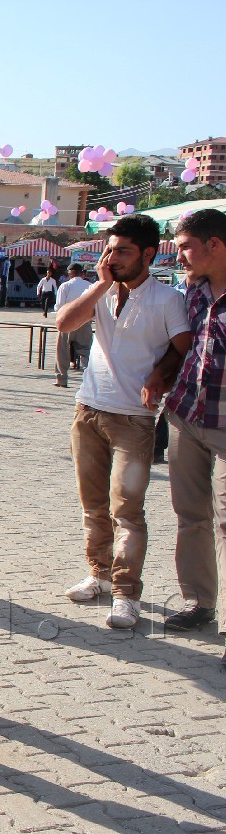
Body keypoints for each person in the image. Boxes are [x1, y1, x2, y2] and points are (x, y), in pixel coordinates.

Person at [55, 214, 192, 629]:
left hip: (134, 418)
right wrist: (101, 285)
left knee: (127, 510)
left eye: (123, 251)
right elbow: (64, 323)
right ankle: (97, 575)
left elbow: (183, 347)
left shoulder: (167, 299)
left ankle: (126, 594)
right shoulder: (102, 289)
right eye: (109, 249)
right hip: (88, 410)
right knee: (92, 506)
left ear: (149, 254)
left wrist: (160, 374)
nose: (112, 257)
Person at [149, 209, 226, 650]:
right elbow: (185, 347)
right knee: (191, 515)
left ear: (214, 244)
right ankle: (200, 603)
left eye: (184, 247)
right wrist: (161, 374)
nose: (177, 256)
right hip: (186, 417)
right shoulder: (193, 291)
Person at [54, 263, 93, 388]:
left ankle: (62, 379)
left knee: (62, 352)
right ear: (81, 273)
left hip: (67, 322)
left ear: (70, 273)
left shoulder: (65, 286)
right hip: (85, 321)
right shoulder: (90, 286)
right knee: (86, 352)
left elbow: (59, 306)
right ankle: (90, 380)